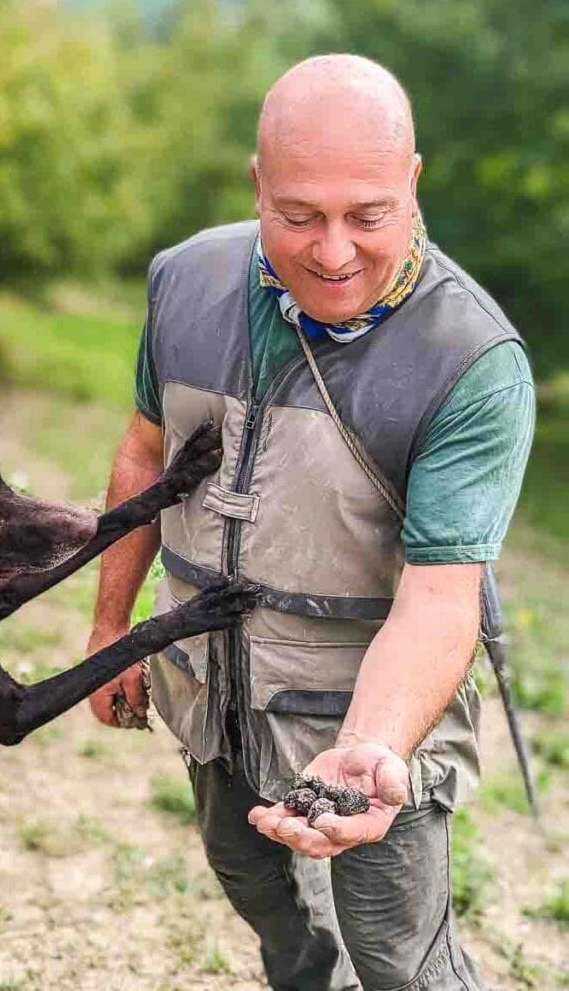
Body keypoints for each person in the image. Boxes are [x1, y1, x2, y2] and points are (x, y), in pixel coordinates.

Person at [86, 55, 535, 990]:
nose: (333, 252)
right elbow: (143, 453)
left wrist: (372, 748)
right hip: (209, 685)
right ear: (258, 183)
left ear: (411, 183)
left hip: (366, 715)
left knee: (396, 957)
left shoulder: (474, 360)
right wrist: (110, 629)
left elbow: (439, 600)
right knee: (252, 885)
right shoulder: (183, 282)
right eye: (298, 217)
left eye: (367, 216)